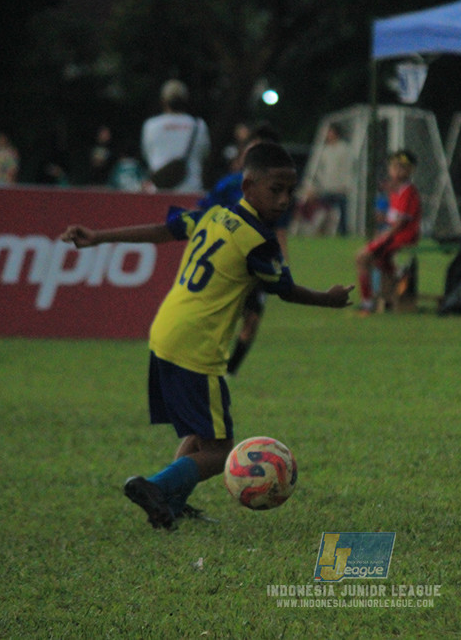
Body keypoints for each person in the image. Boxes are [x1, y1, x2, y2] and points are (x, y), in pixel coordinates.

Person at [60, 143, 352, 529]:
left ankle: (169, 504)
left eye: (289, 191)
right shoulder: (258, 241)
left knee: (201, 433)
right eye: (275, 189)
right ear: (247, 185)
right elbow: (285, 290)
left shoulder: (213, 215)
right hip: (197, 347)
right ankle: (157, 487)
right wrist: (328, 300)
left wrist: (98, 237)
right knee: (219, 450)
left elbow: (163, 231)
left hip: (166, 330)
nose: (284, 200)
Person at [196, 123, 286, 376]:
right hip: (226, 259)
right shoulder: (230, 184)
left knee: (252, 319)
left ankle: (230, 370)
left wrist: (282, 262)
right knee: (222, 315)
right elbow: (204, 212)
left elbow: (280, 228)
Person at [355, 150, 422, 312]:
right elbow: (394, 218)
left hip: (402, 236)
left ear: (410, 170)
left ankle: (367, 302)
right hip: (395, 235)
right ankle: (396, 286)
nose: (397, 171)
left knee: (362, 257)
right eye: (394, 167)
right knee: (379, 261)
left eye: (402, 167)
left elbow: (400, 224)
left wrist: (384, 234)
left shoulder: (408, 191)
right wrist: (384, 220)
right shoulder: (396, 191)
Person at [141, 79, 210, 193]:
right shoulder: (198, 125)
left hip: (160, 190)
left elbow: (147, 155)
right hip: (191, 190)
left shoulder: (151, 125)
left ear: (163, 100)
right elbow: (205, 154)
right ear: (186, 100)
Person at [296, 123, 354, 236]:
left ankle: (343, 233)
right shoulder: (324, 150)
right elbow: (319, 170)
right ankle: (321, 232)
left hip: (340, 187)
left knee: (342, 212)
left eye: (330, 132)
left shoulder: (344, 149)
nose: (328, 135)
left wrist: (347, 184)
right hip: (326, 187)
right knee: (322, 211)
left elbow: (348, 168)